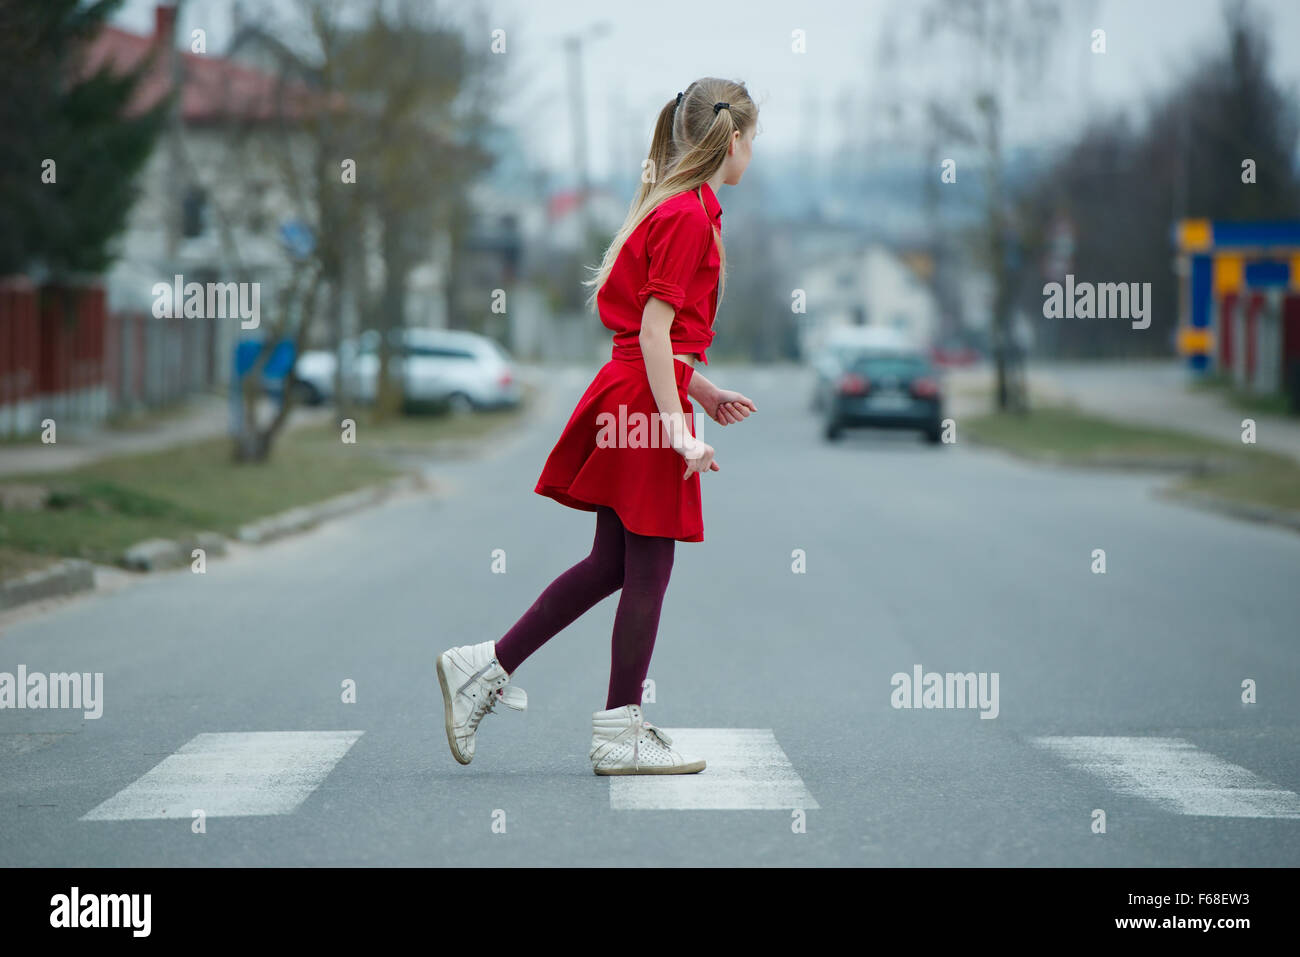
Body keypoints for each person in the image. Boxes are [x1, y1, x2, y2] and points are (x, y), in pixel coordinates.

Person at [437, 78, 759, 775]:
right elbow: (650, 331)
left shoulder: (687, 206)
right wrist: (678, 430)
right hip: (645, 403)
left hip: (645, 391)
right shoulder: (688, 217)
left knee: (615, 563)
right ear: (733, 141)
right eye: (751, 142)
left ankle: (485, 667)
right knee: (648, 565)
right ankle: (616, 728)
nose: (751, 154)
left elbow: (661, 341)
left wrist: (700, 388)